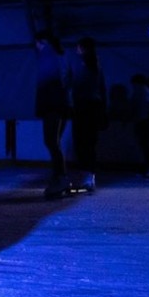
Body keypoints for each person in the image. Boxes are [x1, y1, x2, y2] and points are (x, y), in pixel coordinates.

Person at [34, 31, 72, 198]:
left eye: (38, 43)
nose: (36, 47)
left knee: (52, 141)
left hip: (54, 106)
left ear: (43, 42)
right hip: (56, 106)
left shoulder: (49, 56)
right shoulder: (56, 57)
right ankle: (59, 177)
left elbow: (50, 84)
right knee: (52, 142)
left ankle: (61, 177)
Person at [68, 37, 107, 191]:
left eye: (78, 48)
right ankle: (89, 176)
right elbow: (102, 88)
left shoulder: (79, 64)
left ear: (82, 48)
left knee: (81, 143)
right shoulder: (97, 65)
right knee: (89, 143)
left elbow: (74, 85)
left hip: (83, 106)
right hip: (94, 106)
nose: (76, 50)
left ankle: (85, 176)